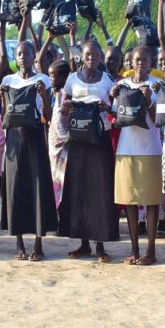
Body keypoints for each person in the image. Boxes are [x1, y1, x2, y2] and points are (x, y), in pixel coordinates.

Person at [59, 41, 119, 262]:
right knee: (79, 190)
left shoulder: (108, 80)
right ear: (81, 57)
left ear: (101, 57)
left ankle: (101, 244)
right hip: (78, 138)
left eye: (95, 54)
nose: (91, 57)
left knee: (100, 189)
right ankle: (83, 243)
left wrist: (108, 107)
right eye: (87, 54)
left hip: (99, 138)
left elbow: (116, 108)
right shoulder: (72, 79)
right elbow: (64, 104)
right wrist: (66, 108)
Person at [0, 41, 58, 261]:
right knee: (16, 188)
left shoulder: (42, 80)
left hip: (35, 136)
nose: (23, 56)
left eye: (27, 53)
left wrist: (43, 96)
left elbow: (49, 116)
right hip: (13, 138)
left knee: (37, 187)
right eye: (19, 53)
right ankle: (19, 242)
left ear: (34, 56)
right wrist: (2, 96)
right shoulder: (8, 80)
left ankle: (39, 243)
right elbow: (6, 114)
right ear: (16, 57)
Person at [112, 45, 162, 265]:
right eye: (136, 59)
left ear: (152, 61)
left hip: (150, 149)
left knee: (151, 201)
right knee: (129, 200)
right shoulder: (121, 85)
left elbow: (159, 119)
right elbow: (116, 115)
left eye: (144, 59)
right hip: (126, 149)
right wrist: (111, 97)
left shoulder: (157, 85)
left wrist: (150, 98)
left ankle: (150, 250)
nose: (140, 63)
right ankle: (134, 249)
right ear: (129, 62)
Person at [47, 59, 71, 209]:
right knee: (54, 177)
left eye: (53, 76)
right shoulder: (54, 93)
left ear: (63, 77)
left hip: (65, 143)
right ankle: (56, 213)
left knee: (63, 178)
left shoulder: (67, 94)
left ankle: (63, 213)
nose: (50, 79)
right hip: (53, 143)